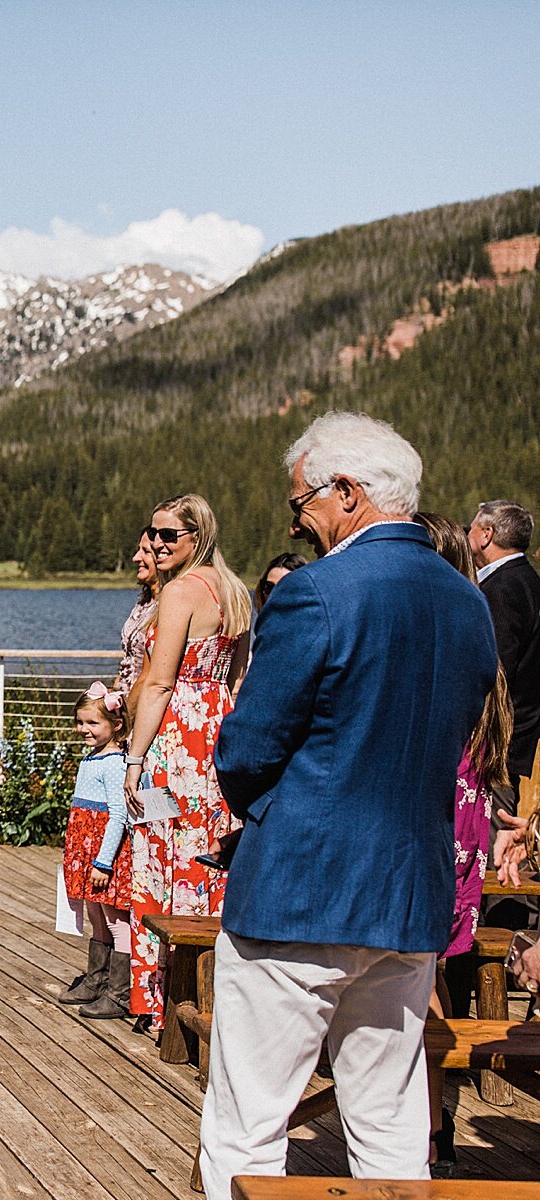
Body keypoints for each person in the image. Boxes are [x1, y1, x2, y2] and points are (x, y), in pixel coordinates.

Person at [199, 412, 497, 1196]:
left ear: (347, 492)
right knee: (391, 1119)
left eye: (301, 505)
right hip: (408, 896)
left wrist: (264, 808)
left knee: (250, 1120)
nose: (298, 525)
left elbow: (246, 749)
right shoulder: (468, 603)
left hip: (300, 891)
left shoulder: (317, 595)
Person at [122, 493, 252, 1027]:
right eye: (151, 534)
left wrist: (133, 758)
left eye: (167, 536)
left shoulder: (179, 593)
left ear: (196, 537)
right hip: (219, 734)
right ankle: (219, 991)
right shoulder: (236, 591)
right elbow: (241, 680)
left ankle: (164, 998)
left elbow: (157, 682)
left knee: (160, 852)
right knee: (210, 854)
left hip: (175, 738)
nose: (155, 543)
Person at [413, 509, 514, 1172]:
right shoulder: (474, 633)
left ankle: (418, 1133)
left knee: (414, 980)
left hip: (430, 816)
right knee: (427, 975)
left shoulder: (430, 640)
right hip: (464, 819)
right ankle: (433, 1128)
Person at [57, 684, 133, 1020]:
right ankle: (97, 979)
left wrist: (104, 862)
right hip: (86, 848)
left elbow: (119, 814)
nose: (83, 730)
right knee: (95, 914)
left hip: (104, 854)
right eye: (80, 722)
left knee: (115, 917)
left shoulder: (115, 763)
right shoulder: (92, 758)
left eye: (92, 723)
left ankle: (120, 992)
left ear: (115, 725)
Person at [468, 500, 540, 820]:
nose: (466, 533)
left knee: (492, 835)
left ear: (487, 534)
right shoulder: (528, 580)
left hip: (495, 743)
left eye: (471, 527)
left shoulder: (501, 588)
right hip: (514, 733)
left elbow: (494, 669)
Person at [113, 535, 159, 701]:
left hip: (144, 706)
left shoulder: (167, 606)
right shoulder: (144, 602)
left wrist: (127, 718)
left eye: (145, 551)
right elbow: (130, 659)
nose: (135, 558)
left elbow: (150, 675)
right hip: (125, 700)